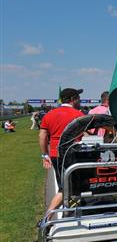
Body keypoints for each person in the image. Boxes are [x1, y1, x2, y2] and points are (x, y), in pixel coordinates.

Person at [39, 88, 84, 220]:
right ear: (73, 99)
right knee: (66, 188)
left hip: (55, 154)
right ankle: (47, 218)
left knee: (66, 185)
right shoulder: (78, 114)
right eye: (78, 98)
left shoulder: (50, 114)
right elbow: (90, 132)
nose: (80, 100)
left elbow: (42, 136)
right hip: (72, 154)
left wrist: (44, 155)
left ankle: (68, 210)